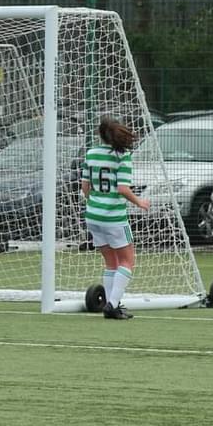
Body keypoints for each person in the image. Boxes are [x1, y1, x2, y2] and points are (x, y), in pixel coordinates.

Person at [80, 116, 150, 320]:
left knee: (111, 262)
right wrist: (140, 202)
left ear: (101, 135)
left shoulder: (91, 153)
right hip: (114, 218)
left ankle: (111, 304)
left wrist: (95, 202)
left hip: (93, 216)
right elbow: (122, 189)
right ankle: (112, 304)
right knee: (127, 261)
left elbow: (85, 187)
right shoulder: (122, 157)